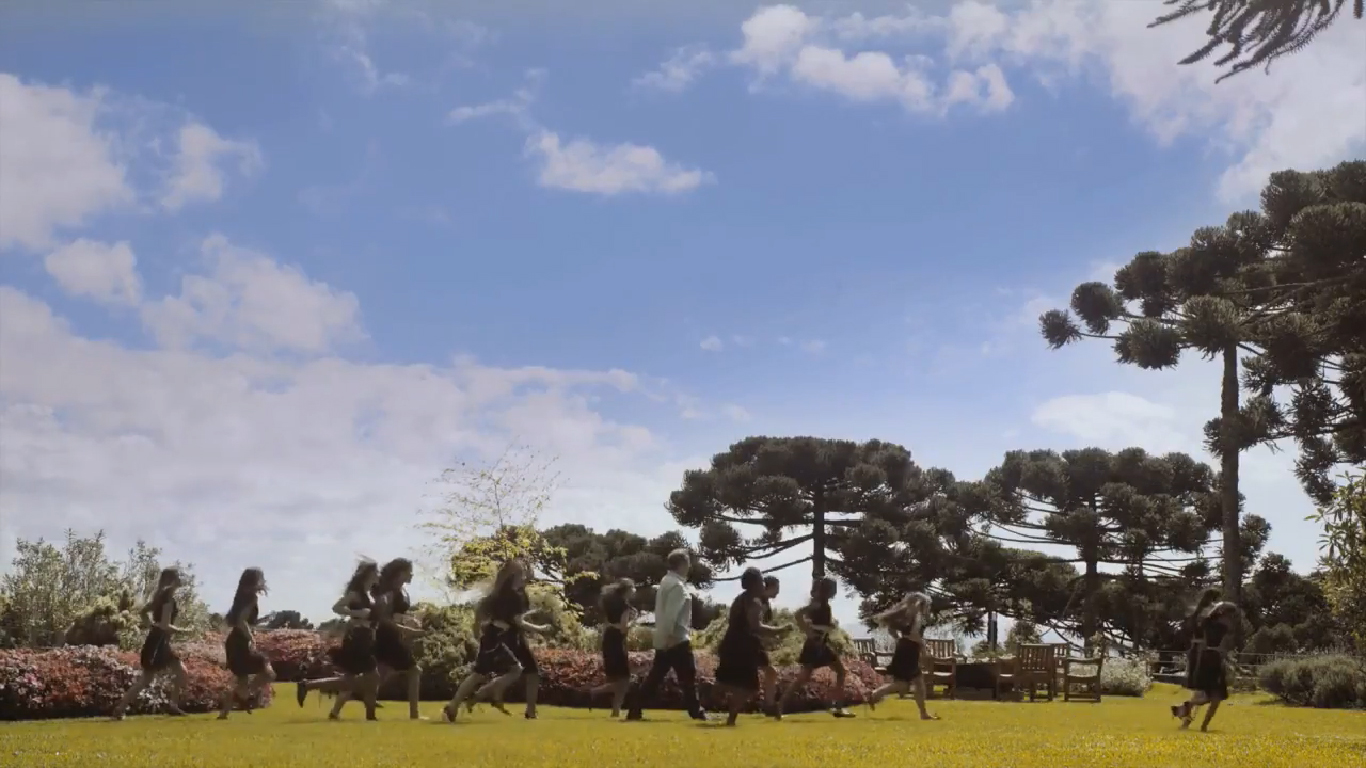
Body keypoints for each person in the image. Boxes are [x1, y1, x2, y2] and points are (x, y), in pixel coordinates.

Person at [442, 559, 550, 721]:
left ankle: (455, 705)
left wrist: (477, 631)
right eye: (522, 572)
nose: (525, 574)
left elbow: (485, 613)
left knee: (481, 674)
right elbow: (517, 620)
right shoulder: (511, 594)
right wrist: (541, 629)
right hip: (499, 638)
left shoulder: (503, 592)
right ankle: (482, 694)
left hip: (494, 637)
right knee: (512, 671)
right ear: (515, 575)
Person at [624, 549, 707, 721]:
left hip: (665, 637)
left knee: (656, 676)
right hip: (676, 638)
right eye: (688, 563)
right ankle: (696, 711)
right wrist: (670, 637)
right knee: (688, 675)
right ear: (682, 564)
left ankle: (635, 707)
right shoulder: (677, 586)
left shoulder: (666, 581)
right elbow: (671, 614)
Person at [296, 559, 381, 720]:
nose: (378, 575)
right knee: (372, 678)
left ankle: (307, 685)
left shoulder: (368, 595)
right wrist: (357, 613)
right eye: (376, 572)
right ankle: (371, 716)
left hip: (365, 638)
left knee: (350, 681)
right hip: (357, 640)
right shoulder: (355, 594)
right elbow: (337, 608)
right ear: (368, 575)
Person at [112, 568, 189, 719]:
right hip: (157, 644)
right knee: (146, 680)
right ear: (172, 581)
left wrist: (151, 624)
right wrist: (183, 630)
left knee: (181, 672)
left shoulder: (161, 597)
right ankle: (119, 709)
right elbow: (166, 625)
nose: (181, 579)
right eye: (178, 577)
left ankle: (173, 706)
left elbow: (143, 612)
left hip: (161, 642)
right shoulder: (166, 599)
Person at [713, 568, 787, 726]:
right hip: (744, 646)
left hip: (734, 643)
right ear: (754, 584)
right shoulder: (754, 602)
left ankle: (735, 713)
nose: (763, 583)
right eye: (761, 581)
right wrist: (779, 631)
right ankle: (731, 717)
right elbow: (755, 626)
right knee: (748, 687)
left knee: (742, 682)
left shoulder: (740, 598)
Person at [775, 576, 853, 718]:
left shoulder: (823, 603)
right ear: (828, 590)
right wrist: (808, 631)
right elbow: (798, 614)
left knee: (840, 672)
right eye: (833, 589)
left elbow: (819, 621)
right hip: (814, 644)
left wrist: (829, 625)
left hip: (822, 643)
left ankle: (839, 708)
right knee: (803, 678)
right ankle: (779, 706)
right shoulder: (817, 603)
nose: (835, 592)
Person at [865, 592, 937, 720]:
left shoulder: (907, 615)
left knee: (906, 684)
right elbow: (914, 634)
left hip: (905, 651)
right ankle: (923, 714)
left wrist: (901, 640)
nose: (928, 608)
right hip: (908, 653)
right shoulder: (916, 616)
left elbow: (892, 631)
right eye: (927, 605)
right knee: (912, 684)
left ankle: (875, 694)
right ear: (921, 604)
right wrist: (923, 646)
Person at [1173, 595, 1239, 731]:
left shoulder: (1216, 625)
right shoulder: (1215, 625)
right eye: (1230, 615)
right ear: (1223, 614)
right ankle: (1189, 712)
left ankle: (1196, 721)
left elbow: (1221, 646)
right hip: (1210, 661)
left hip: (1212, 660)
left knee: (1213, 698)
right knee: (1211, 697)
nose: (1232, 619)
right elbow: (1221, 647)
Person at [217, 567, 275, 719]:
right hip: (240, 642)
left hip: (234, 642)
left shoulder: (240, 597)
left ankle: (225, 713)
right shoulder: (251, 598)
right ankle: (246, 695)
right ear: (255, 581)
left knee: (241, 680)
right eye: (261, 578)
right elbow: (241, 621)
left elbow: (243, 620)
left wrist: (262, 620)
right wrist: (251, 637)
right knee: (268, 672)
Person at [372, 557, 426, 719]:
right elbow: (384, 619)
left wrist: (413, 617)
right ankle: (414, 715)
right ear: (400, 573)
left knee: (379, 675)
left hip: (389, 635)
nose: (412, 575)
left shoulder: (400, 592)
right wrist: (409, 629)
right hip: (388, 636)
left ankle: (339, 702)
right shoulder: (390, 593)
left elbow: (396, 615)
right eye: (409, 572)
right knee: (414, 671)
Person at [588, 577, 637, 717]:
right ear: (627, 590)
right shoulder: (626, 607)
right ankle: (594, 692)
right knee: (624, 681)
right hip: (617, 642)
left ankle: (616, 711)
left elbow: (608, 625)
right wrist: (635, 620)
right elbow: (623, 629)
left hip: (608, 640)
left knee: (619, 679)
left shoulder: (611, 605)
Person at [757, 575, 781, 715]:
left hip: (757, 643)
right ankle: (769, 706)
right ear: (769, 587)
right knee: (771, 672)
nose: (778, 592)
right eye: (776, 588)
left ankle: (769, 705)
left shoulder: (764, 601)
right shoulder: (758, 602)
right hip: (752, 642)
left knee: (770, 672)